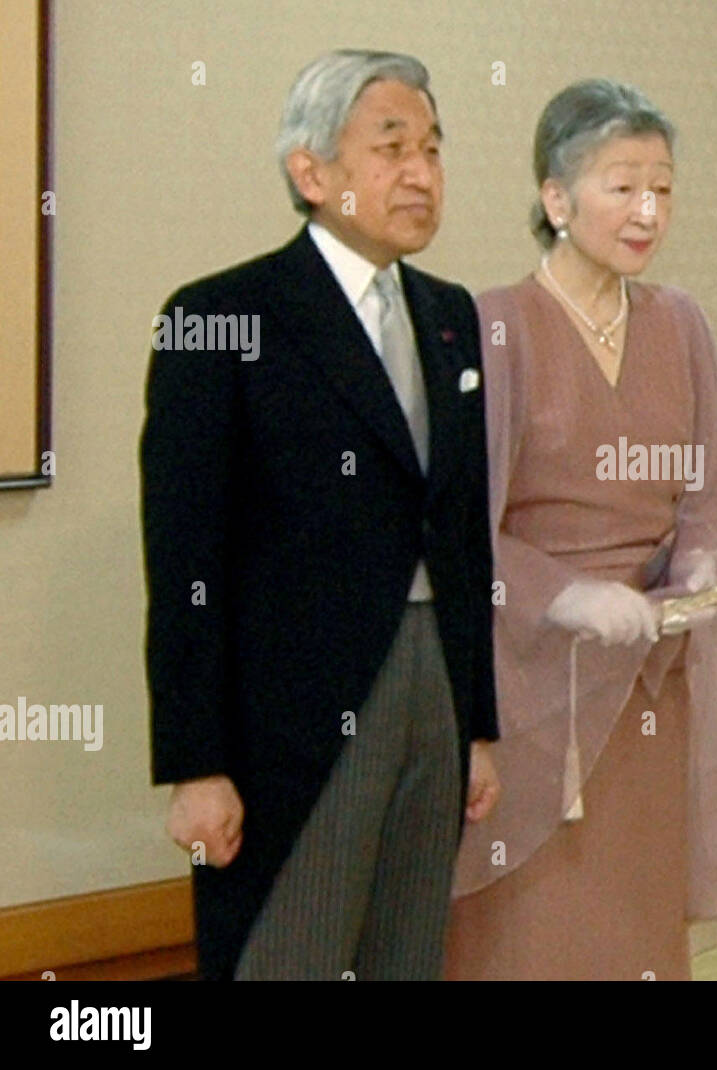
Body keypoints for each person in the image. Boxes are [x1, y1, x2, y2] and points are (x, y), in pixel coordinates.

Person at [141, 49, 500, 981]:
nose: (421, 173)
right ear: (311, 171)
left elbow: (465, 536)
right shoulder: (222, 318)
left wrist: (479, 723)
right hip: (292, 719)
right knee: (287, 955)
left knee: (407, 954)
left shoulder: (450, 316)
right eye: (390, 148)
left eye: (432, 147)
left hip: (434, 688)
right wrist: (195, 763)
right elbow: (184, 559)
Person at [444, 79, 717, 980]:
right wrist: (564, 595)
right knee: (537, 922)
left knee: (634, 913)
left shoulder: (680, 321)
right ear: (555, 198)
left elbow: (712, 493)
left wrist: (699, 568)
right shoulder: (494, 326)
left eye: (662, 187)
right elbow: (463, 528)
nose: (647, 209)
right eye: (622, 186)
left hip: (653, 669)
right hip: (533, 673)